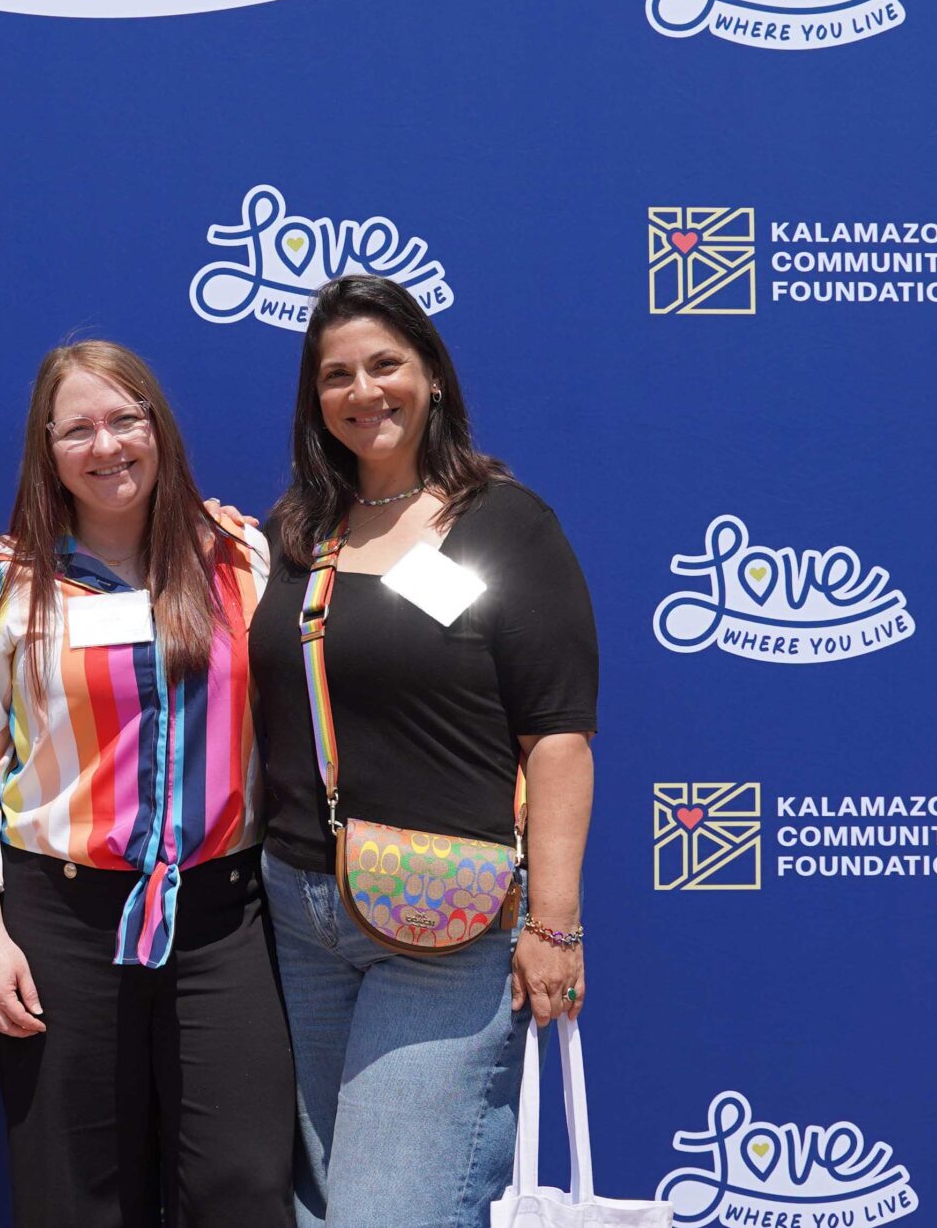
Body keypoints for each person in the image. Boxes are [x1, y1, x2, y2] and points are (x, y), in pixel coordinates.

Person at [252, 277, 597, 1228]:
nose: (364, 390)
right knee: (321, 1211)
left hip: (444, 924)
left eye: (385, 364)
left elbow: (559, 737)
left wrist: (555, 924)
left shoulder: (505, 524)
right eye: (337, 375)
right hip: (300, 912)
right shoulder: (298, 533)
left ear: (432, 375)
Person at [0, 341, 294, 1227]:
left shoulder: (241, 557)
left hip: (219, 918)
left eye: (126, 420)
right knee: (75, 1197)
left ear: (159, 430)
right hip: (59, 922)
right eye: (79, 428)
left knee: (242, 1187)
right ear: (48, 449)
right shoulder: (9, 580)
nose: (108, 446)